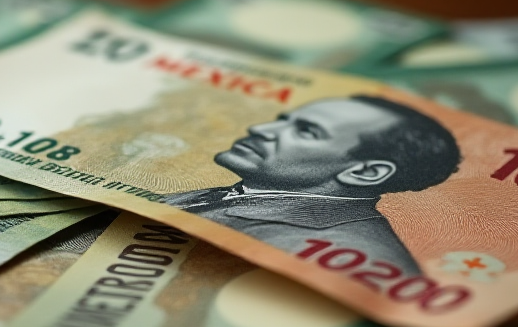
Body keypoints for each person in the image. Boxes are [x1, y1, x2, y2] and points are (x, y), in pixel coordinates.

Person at [166, 95, 461, 275]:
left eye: (306, 131)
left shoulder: (354, 256)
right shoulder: (238, 196)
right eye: (283, 120)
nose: (261, 129)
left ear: (366, 171)